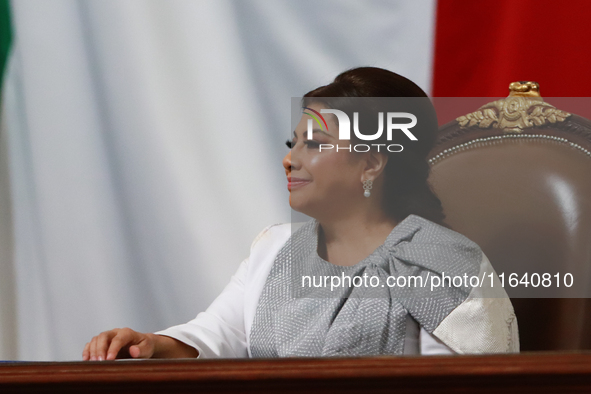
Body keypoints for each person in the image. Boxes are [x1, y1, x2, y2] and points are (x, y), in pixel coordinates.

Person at [82, 67, 519, 361]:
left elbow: (471, 385)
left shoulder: (445, 263)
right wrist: (153, 344)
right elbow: (218, 334)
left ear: (372, 163)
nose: (290, 160)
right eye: (293, 144)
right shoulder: (275, 249)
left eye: (315, 143)